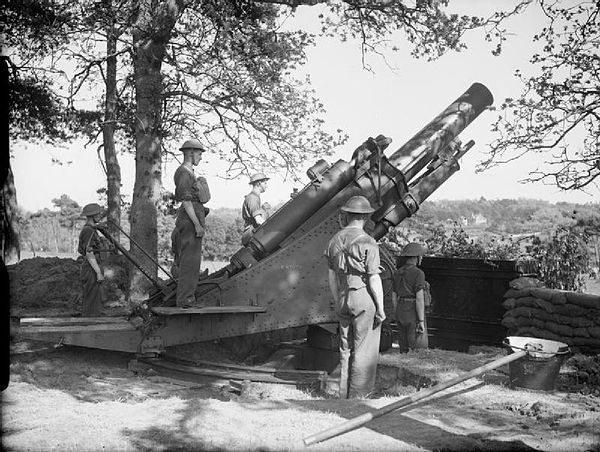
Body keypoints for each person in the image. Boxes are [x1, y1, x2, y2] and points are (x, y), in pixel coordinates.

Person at [324, 195, 385, 398]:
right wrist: (381, 308)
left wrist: (338, 300)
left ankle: (342, 393)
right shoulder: (369, 241)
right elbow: (374, 279)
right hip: (363, 296)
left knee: (345, 347)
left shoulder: (333, 241)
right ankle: (359, 395)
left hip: (342, 296)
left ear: (347, 215)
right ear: (366, 217)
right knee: (364, 347)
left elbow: (331, 277)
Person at [173, 139, 211, 307]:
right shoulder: (184, 173)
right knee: (190, 260)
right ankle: (185, 300)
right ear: (190, 153)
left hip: (193, 216)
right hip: (190, 220)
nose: (200, 158)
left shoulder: (189, 172)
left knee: (193, 260)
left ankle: (187, 298)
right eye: (199, 154)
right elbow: (186, 201)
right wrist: (196, 224)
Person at [392, 242, 427, 352]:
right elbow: (419, 298)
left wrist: (396, 312)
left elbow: (394, 296)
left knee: (403, 345)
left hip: (400, 308)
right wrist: (421, 320)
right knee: (414, 345)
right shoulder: (418, 273)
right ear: (417, 257)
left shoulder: (397, 273)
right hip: (412, 310)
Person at [78, 203, 106, 317]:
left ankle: (92, 322)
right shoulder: (88, 231)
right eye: (98, 214)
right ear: (92, 215)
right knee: (91, 299)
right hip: (91, 269)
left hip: (92, 267)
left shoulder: (91, 229)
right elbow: (89, 253)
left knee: (94, 298)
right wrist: (98, 272)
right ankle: (88, 325)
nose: (100, 215)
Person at [241, 172, 269, 246]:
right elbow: (258, 220)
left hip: (253, 234)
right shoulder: (252, 198)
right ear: (259, 183)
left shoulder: (254, 197)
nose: (267, 186)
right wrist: (271, 229)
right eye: (265, 183)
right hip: (252, 235)